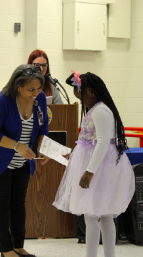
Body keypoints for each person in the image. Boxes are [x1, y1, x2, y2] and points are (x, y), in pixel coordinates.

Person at [53, 72, 135, 257]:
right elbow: (87, 140)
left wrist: (89, 172)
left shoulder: (101, 111)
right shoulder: (95, 109)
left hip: (100, 167)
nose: (78, 97)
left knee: (94, 215)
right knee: (100, 215)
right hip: (96, 165)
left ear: (89, 91)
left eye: (78, 92)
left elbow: (104, 142)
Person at [0, 65, 50, 257]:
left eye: (38, 89)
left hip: (23, 160)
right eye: (31, 90)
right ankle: (5, 249)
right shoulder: (1, 101)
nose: (36, 93)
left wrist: (43, 149)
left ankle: (18, 246)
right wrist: (17, 145)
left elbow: (43, 127)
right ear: (18, 87)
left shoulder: (39, 99)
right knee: (2, 204)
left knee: (18, 203)